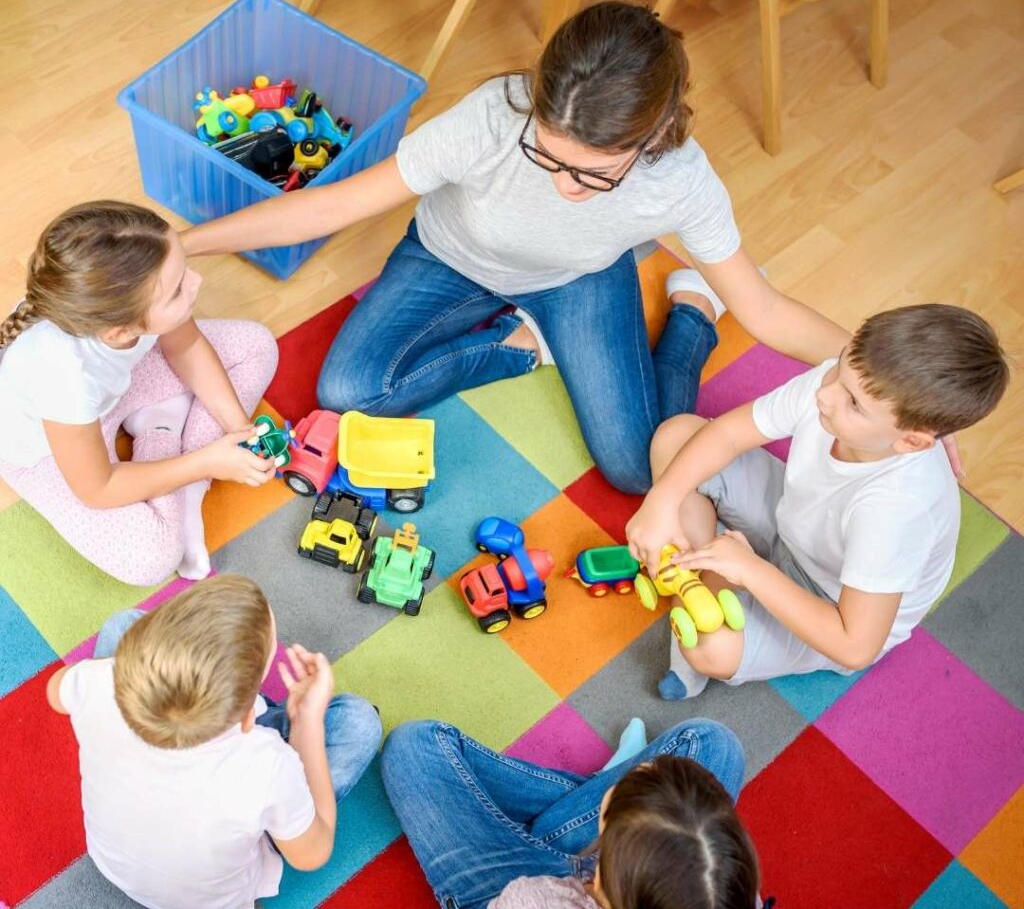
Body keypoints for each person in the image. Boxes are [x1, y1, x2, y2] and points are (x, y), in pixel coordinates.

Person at [180, 1, 847, 493]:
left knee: (644, 469)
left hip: (576, 281)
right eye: (548, 157)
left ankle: (694, 316)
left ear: (657, 131)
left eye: (593, 174)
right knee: (350, 389)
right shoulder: (492, 117)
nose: (564, 186)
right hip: (448, 258)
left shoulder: (679, 179)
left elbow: (766, 312)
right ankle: (520, 348)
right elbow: (332, 203)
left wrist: (892, 387)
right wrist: (183, 245)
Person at [625, 304, 1009, 700]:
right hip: (791, 522)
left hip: (829, 601)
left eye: (854, 404)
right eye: (841, 368)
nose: (825, 395)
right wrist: (662, 500)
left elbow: (855, 646)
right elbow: (727, 435)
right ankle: (706, 573)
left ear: (911, 440)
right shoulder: (835, 387)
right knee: (677, 436)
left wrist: (751, 570)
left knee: (712, 649)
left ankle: (703, 573)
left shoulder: (897, 510)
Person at [46, 574, 382, 909]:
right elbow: (312, 854)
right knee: (360, 721)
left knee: (122, 624)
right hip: (213, 894)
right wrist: (307, 722)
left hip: (114, 862)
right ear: (250, 717)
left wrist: (123, 670)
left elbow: (55, 691)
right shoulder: (267, 764)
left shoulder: (99, 681)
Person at [0, 200, 280, 584]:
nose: (196, 283)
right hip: (50, 451)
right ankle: (170, 444)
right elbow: (98, 489)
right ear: (121, 331)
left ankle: (183, 471)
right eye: (178, 289)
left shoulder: (121, 305)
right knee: (149, 559)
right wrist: (204, 463)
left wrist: (239, 429)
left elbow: (186, 346)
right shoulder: (63, 375)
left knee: (257, 345)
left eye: (183, 269)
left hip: (109, 397)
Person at [380, 716, 759, 909]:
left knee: (415, 746)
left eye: (616, 791)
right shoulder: (719, 893)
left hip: (508, 890)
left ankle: (573, 807)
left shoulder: (527, 899)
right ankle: (588, 800)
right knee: (713, 742)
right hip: (623, 881)